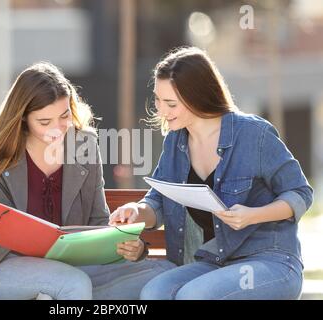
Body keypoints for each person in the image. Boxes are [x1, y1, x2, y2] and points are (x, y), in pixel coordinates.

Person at [0, 62, 174, 300]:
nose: (58, 129)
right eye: (45, 122)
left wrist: (130, 247)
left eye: (64, 116)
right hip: (3, 266)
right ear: (22, 118)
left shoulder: (83, 145)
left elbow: (97, 220)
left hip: (71, 263)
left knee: (162, 276)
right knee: (73, 284)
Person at [109, 47, 313, 300]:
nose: (160, 111)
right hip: (215, 259)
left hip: (269, 260)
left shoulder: (253, 134)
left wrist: (253, 216)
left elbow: (301, 193)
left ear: (198, 97)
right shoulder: (176, 141)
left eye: (170, 103)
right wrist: (136, 211)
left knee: (195, 295)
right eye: (158, 100)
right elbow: (158, 201)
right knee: (155, 292)